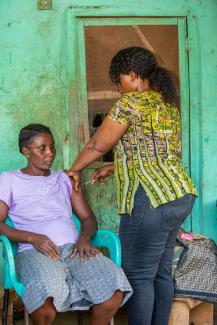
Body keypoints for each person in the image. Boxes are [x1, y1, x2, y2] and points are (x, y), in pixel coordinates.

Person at [67, 47, 198, 325]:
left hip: (150, 201)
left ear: (132, 75)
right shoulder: (166, 105)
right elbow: (157, 155)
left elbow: (97, 144)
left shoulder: (130, 103)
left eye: (119, 80)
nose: (119, 87)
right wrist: (114, 168)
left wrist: (74, 170)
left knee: (139, 275)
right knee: (160, 273)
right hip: (179, 195)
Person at [0, 124, 132, 325]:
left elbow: (88, 219)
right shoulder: (9, 180)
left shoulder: (65, 179)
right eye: (41, 148)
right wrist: (32, 238)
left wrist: (84, 238)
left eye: (52, 147)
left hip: (74, 250)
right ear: (26, 151)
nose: (50, 153)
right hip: (33, 252)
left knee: (114, 287)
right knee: (45, 294)